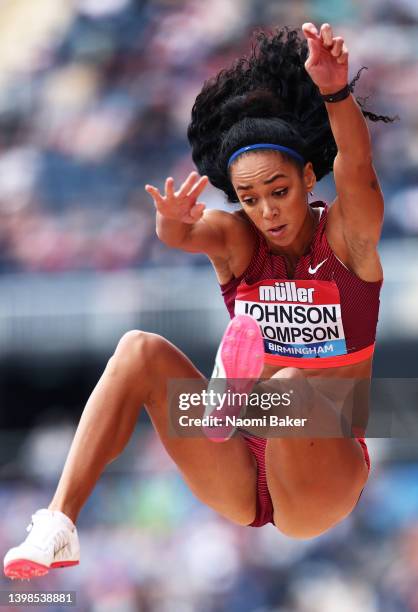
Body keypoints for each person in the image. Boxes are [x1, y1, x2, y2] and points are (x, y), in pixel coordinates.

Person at [4, 22, 391, 580]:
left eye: (279, 192)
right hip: (236, 462)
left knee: (288, 385)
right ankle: (58, 525)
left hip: (320, 474)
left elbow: (358, 171)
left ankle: (228, 400)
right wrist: (170, 223)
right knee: (138, 349)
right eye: (251, 199)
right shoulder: (241, 240)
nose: (268, 212)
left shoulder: (349, 242)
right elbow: (187, 236)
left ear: (308, 177)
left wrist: (334, 91)